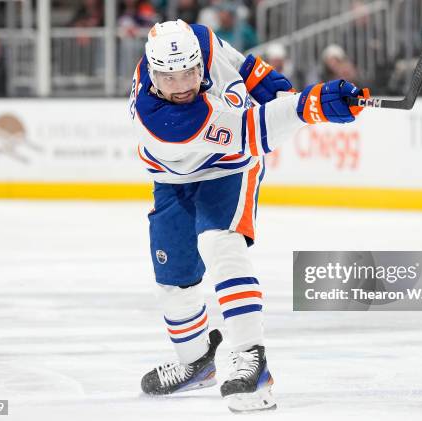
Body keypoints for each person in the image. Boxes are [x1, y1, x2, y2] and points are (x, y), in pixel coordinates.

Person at [128, 19, 368, 412]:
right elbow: (254, 129)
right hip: (173, 176)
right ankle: (195, 362)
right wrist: (311, 105)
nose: (183, 85)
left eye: (190, 72)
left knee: (219, 243)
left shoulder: (203, 41)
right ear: (154, 76)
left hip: (230, 168)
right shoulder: (162, 120)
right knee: (173, 279)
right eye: (171, 79)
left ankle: (250, 360)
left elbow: (244, 68)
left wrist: (282, 91)